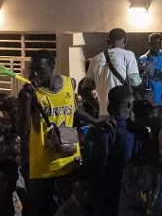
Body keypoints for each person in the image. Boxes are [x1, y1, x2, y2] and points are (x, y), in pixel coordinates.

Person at [18, 50, 101, 216]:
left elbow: (74, 110)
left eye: (40, 70)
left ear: (52, 67)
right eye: (31, 69)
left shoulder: (69, 83)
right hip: (43, 163)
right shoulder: (30, 93)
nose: (34, 74)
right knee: (39, 210)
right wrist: (26, 99)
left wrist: (97, 122)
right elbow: (22, 129)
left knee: (71, 208)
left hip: (68, 159)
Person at [83, 85, 148, 215]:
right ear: (130, 105)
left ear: (108, 107)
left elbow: (89, 161)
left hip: (103, 190)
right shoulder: (140, 132)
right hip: (130, 190)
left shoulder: (95, 131)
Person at [85, 28, 142, 117]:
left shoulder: (95, 60)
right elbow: (135, 83)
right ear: (125, 40)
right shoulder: (128, 55)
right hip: (122, 113)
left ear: (108, 42)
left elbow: (85, 88)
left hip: (103, 115)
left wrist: (99, 107)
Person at [139, 33, 162, 105]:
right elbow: (138, 79)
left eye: (159, 43)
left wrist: (156, 71)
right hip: (146, 95)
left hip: (160, 94)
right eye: (155, 43)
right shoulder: (142, 59)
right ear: (149, 43)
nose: (157, 46)